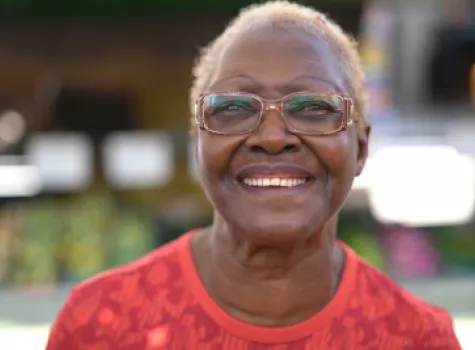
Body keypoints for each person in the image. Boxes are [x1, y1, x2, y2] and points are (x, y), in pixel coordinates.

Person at [46, 1, 462, 349]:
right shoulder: (98, 326)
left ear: (361, 149)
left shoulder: (419, 339)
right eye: (233, 109)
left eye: (314, 109)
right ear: (199, 144)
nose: (273, 137)